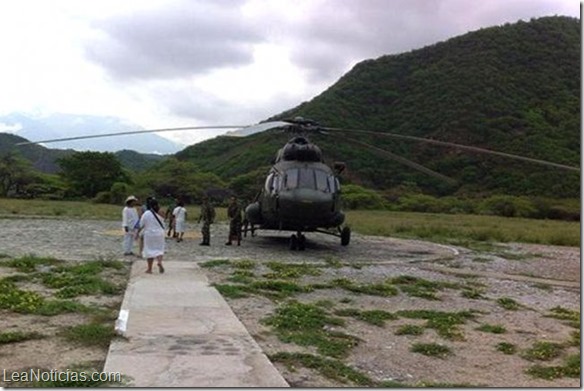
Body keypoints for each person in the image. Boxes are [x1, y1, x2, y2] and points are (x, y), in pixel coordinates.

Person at [138, 198, 166, 274]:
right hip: (160, 233)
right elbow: (164, 221)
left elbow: (141, 224)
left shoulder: (146, 213)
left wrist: (137, 233)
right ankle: (159, 262)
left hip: (149, 234)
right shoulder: (161, 212)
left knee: (149, 250)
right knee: (159, 249)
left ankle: (149, 269)